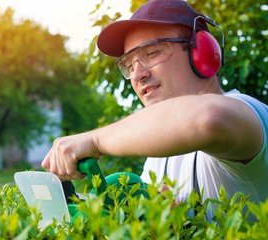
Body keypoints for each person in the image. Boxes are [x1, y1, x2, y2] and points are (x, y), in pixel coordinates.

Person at [42, 0, 268, 220]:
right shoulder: (160, 152)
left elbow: (209, 119)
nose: (138, 74)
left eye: (152, 53)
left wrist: (94, 141)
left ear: (202, 51)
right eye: (129, 65)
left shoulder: (249, 113)